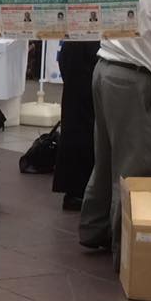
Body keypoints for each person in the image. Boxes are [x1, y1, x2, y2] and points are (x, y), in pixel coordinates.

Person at [80, 0, 151, 268]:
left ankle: (94, 227)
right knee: (137, 169)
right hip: (137, 78)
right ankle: (129, 255)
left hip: (106, 66)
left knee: (106, 158)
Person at [53, 41, 100, 211]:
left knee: (77, 116)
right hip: (85, 48)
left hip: (78, 46)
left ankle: (76, 189)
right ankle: (79, 190)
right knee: (83, 120)